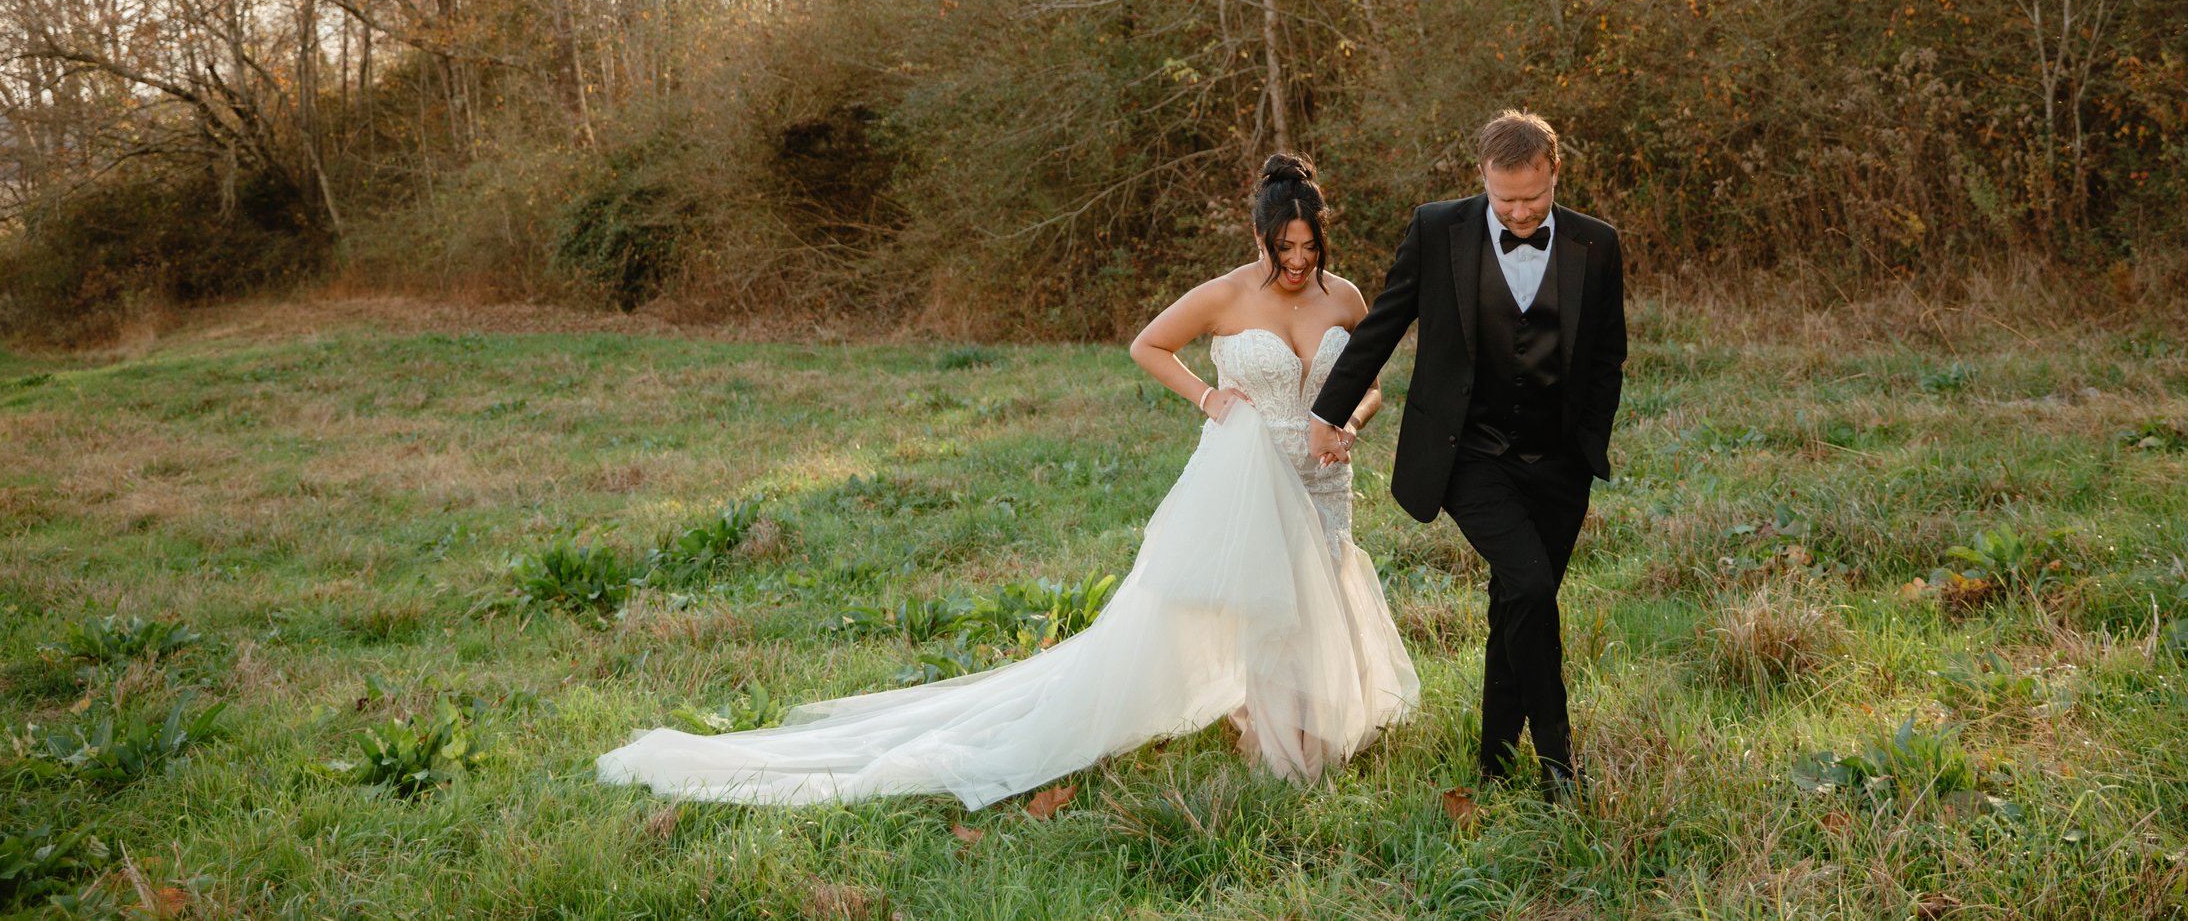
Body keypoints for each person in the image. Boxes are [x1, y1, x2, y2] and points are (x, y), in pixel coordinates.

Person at [594, 154, 1418, 808]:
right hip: (1249, 469)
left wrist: (1351, 421)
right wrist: (1211, 397)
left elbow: (1373, 377)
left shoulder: (1343, 295)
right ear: (1260, 238)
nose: (1300, 262)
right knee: (1269, 602)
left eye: (1311, 248)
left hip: (1324, 473)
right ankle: (1279, 750)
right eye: (1286, 250)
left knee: (1323, 586)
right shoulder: (1225, 295)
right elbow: (1146, 345)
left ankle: (1290, 718)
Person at [1307, 110, 1626, 802]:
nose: (1516, 212)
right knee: (1533, 587)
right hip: (1469, 456)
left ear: (1554, 177)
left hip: (1560, 464)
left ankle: (1493, 758)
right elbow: (1385, 321)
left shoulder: (1596, 245)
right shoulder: (1436, 229)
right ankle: (1559, 766)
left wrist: (1587, 440)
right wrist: (1327, 411)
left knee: (1517, 597)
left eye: (1532, 199)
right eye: (1504, 197)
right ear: (1481, 177)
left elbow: (1608, 354)